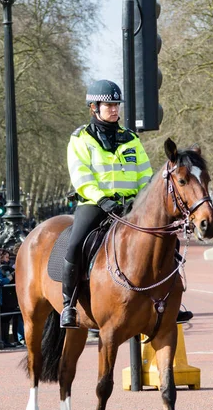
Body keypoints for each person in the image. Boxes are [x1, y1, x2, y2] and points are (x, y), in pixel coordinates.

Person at [61, 79, 153, 328]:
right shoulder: (80, 139)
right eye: (108, 104)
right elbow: (81, 176)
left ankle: (167, 297)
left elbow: (146, 175)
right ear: (94, 107)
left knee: (162, 239)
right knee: (75, 245)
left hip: (131, 207)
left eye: (116, 104)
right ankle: (68, 305)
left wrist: (141, 200)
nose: (114, 109)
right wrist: (102, 200)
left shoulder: (131, 139)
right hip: (94, 204)